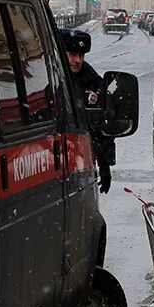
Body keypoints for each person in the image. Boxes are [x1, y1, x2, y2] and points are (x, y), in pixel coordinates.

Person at [60, 28, 115, 193]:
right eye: (72, 54)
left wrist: (105, 166)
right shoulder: (49, 81)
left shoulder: (94, 84)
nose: (77, 60)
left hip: (81, 162)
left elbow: (100, 128)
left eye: (81, 55)